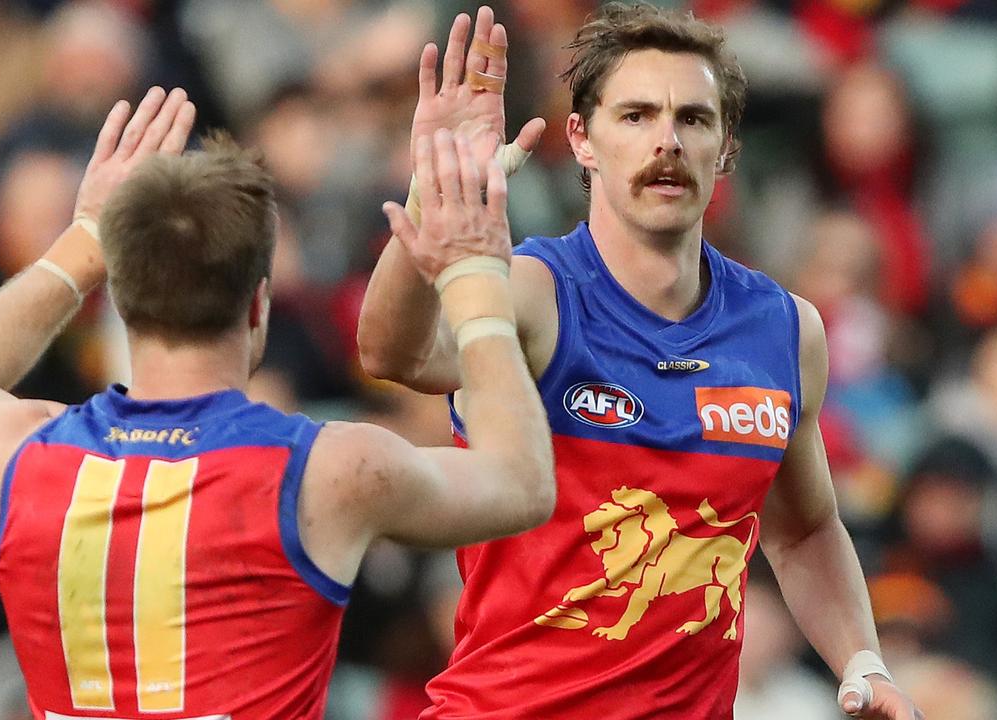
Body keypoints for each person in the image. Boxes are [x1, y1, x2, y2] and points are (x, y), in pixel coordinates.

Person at [0, 86, 555, 719]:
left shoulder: (23, 455)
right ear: (258, 307)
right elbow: (522, 484)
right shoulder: (327, 473)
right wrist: (472, 270)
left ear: (120, 301)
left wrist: (85, 241)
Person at [360, 4, 922, 719]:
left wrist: (865, 662)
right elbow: (391, 353)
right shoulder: (536, 291)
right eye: (635, 116)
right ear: (581, 139)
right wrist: (435, 195)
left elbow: (804, 530)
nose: (667, 141)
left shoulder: (785, 330)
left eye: (693, 118)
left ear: (726, 150)